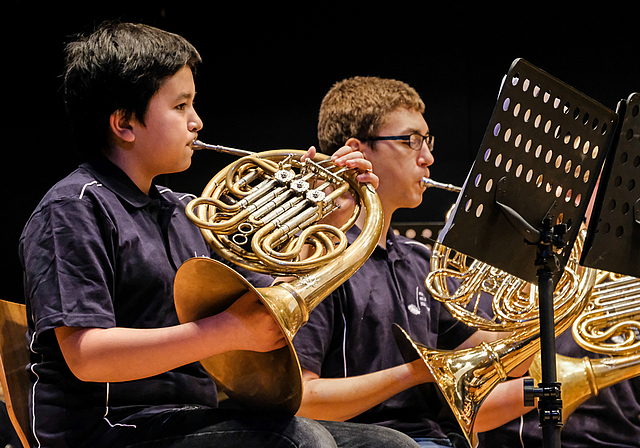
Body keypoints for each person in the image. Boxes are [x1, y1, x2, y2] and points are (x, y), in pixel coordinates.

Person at [19, 22, 420, 448]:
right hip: (107, 427)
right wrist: (228, 331)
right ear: (124, 123)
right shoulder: (75, 207)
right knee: (300, 442)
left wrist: (330, 212)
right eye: (180, 106)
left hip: (185, 418)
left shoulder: (182, 210)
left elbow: (271, 295)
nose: (197, 122)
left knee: (390, 444)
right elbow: (86, 355)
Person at [291, 76, 534, 448]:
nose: (428, 157)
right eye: (410, 141)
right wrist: (416, 373)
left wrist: (543, 287)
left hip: (431, 439)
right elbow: (302, 400)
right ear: (359, 150)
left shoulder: (419, 260)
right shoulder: (320, 255)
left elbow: (503, 364)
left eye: (427, 141)